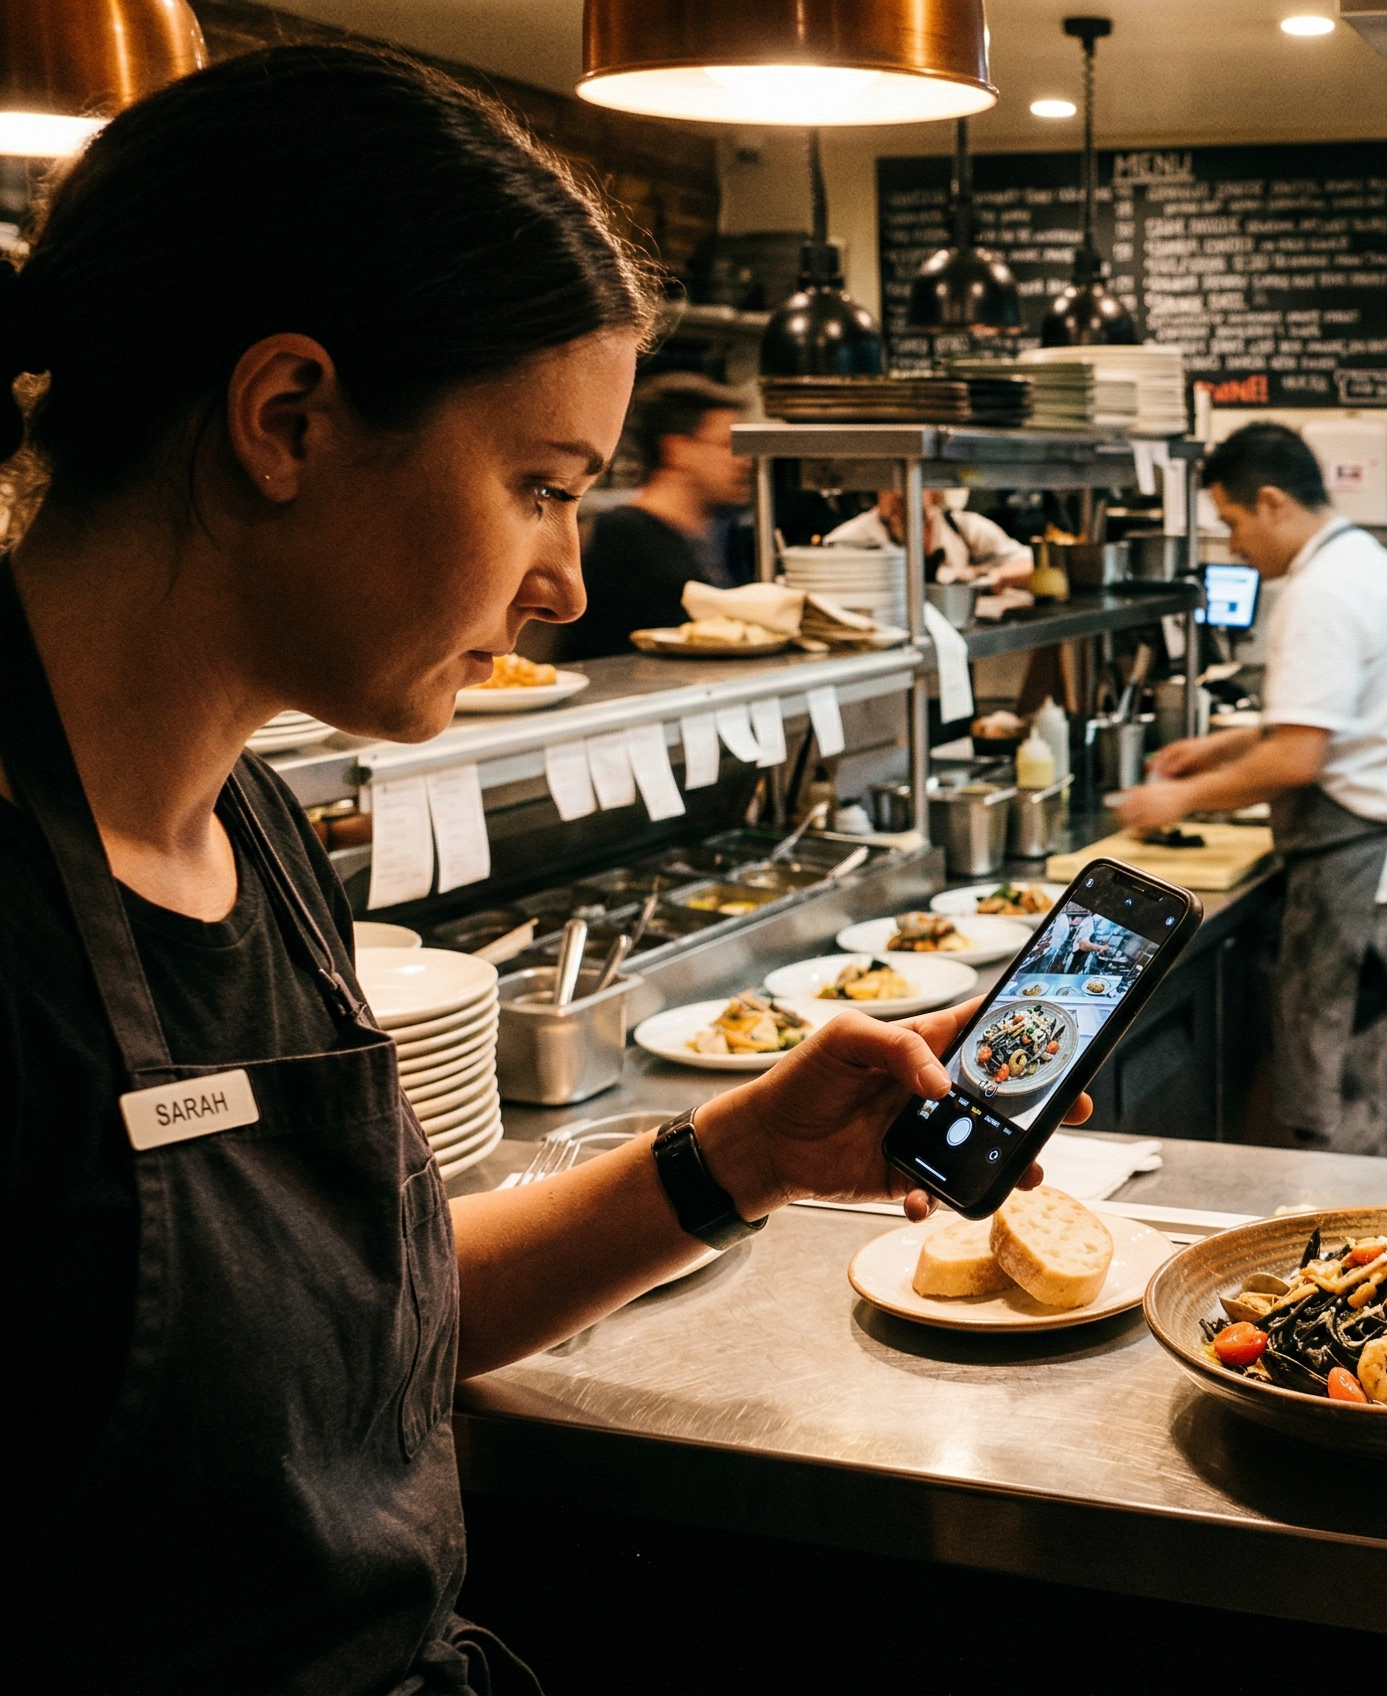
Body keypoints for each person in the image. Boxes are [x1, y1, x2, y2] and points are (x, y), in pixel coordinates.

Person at [0, 48, 1082, 1691]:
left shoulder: (249, 832)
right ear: (286, 419)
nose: (569, 583)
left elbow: (375, 1314)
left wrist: (738, 1159)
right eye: (539, 489)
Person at [1114, 423, 1387, 1159]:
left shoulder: (1321, 592)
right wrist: (1221, 745)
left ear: (1272, 502)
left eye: (1233, 524)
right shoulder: (1366, 562)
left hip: (1369, 880)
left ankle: (1366, 1255)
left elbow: (1299, 757)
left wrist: (1179, 798)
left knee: (1346, 1103)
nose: (1233, 547)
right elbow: (1332, 718)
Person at [559, 371, 754, 659]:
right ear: (677, 450)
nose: (745, 461)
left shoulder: (725, 533)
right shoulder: (624, 537)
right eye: (728, 445)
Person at [824, 486, 1033, 588]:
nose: (899, 493)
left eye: (912, 482)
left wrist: (985, 575)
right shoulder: (847, 539)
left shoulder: (962, 526)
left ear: (935, 492)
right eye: (890, 483)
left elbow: (1030, 563)